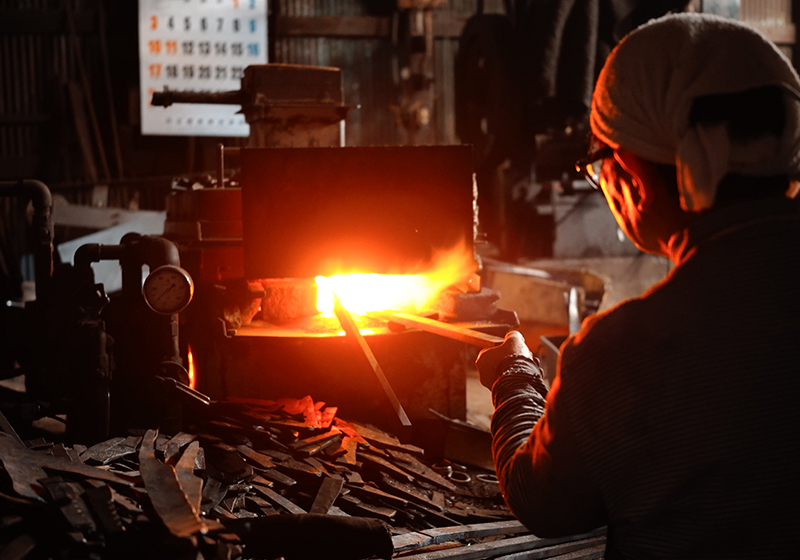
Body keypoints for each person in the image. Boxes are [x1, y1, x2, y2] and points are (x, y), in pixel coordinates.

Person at [477, 13, 800, 558]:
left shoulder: (624, 352)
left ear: (631, 173)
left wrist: (515, 378)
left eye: (600, 165)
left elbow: (543, 499)